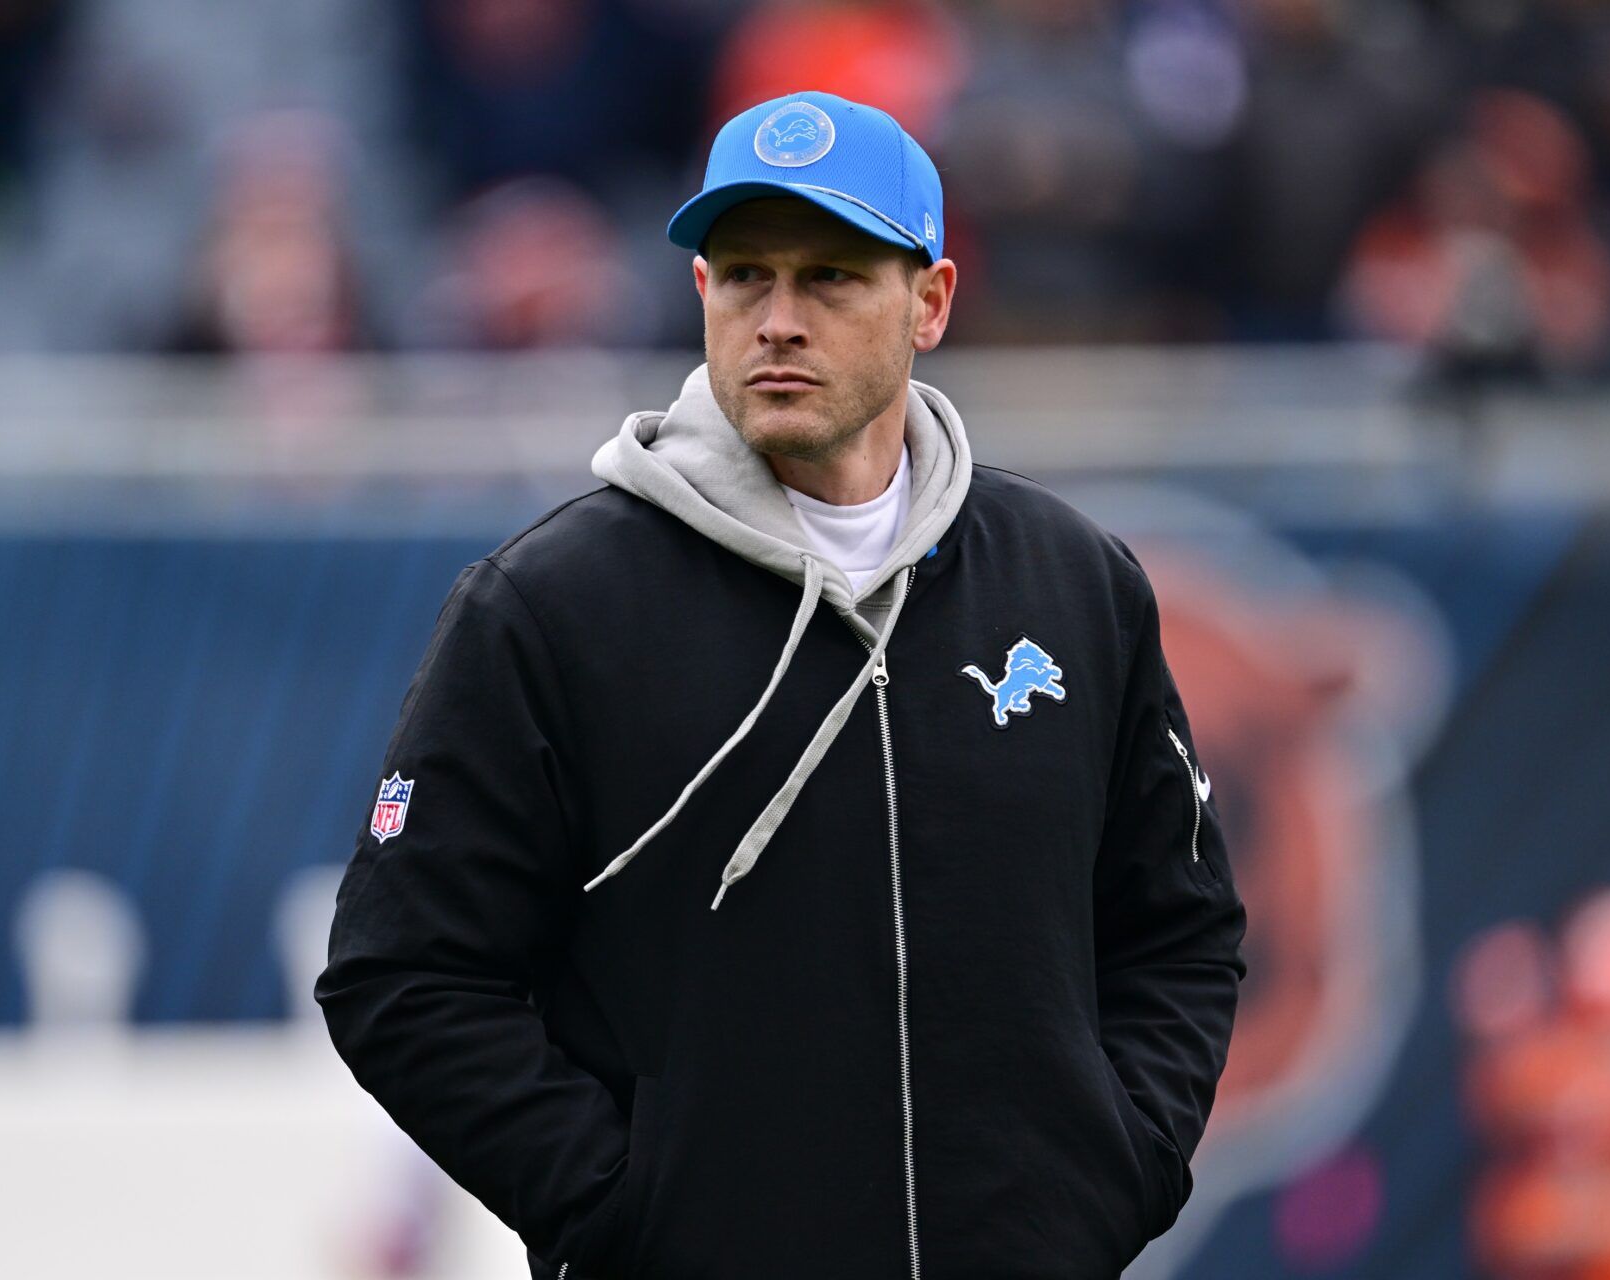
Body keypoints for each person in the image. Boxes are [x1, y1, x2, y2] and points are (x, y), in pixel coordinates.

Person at [317, 90, 1247, 1279]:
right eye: (746, 276)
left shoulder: (1073, 584)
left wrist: (1114, 1171)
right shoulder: (552, 607)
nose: (779, 320)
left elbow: (1181, 927)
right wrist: (622, 1208)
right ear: (701, 294)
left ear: (932, 302)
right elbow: (400, 971)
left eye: (831, 279)